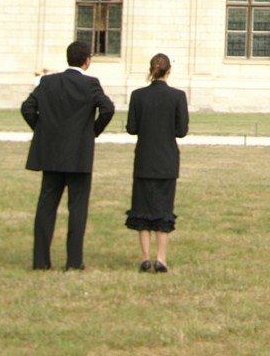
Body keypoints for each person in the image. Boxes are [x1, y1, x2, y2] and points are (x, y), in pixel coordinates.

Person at [22, 40, 115, 270]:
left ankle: (40, 261)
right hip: (78, 155)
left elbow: (27, 108)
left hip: (51, 154)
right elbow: (108, 108)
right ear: (87, 61)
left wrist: (43, 131)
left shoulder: (48, 81)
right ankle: (74, 261)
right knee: (77, 208)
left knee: (46, 207)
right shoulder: (90, 84)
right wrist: (92, 131)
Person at [124, 52, 189, 273]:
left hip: (144, 158)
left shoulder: (138, 96)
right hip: (167, 159)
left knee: (142, 208)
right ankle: (161, 257)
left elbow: (132, 128)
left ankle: (145, 257)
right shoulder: (178, 96)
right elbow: (182, 131)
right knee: (163, 208)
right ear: (169, 71)